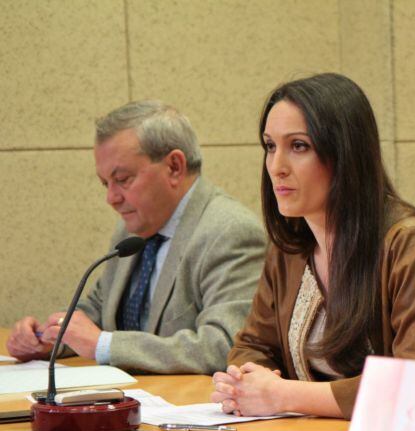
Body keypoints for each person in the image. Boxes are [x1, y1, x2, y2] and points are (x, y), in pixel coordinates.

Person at [211, 73, 415, 419]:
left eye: (299, 146)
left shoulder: (410, 244)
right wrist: (245, 381)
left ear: (345, 154)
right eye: (270, 146)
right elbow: (253, 346)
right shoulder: (290, 245)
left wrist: (283, 395)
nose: (277, 167)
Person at [6, 100, 266, 375]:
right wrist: (51, 336)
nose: (111, 198)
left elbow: (226, 346)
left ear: (174, 167)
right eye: (106, 183)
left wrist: (104, 345)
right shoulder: (133, 227)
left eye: (123, 179)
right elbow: (99, 308)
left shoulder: (230, 231)